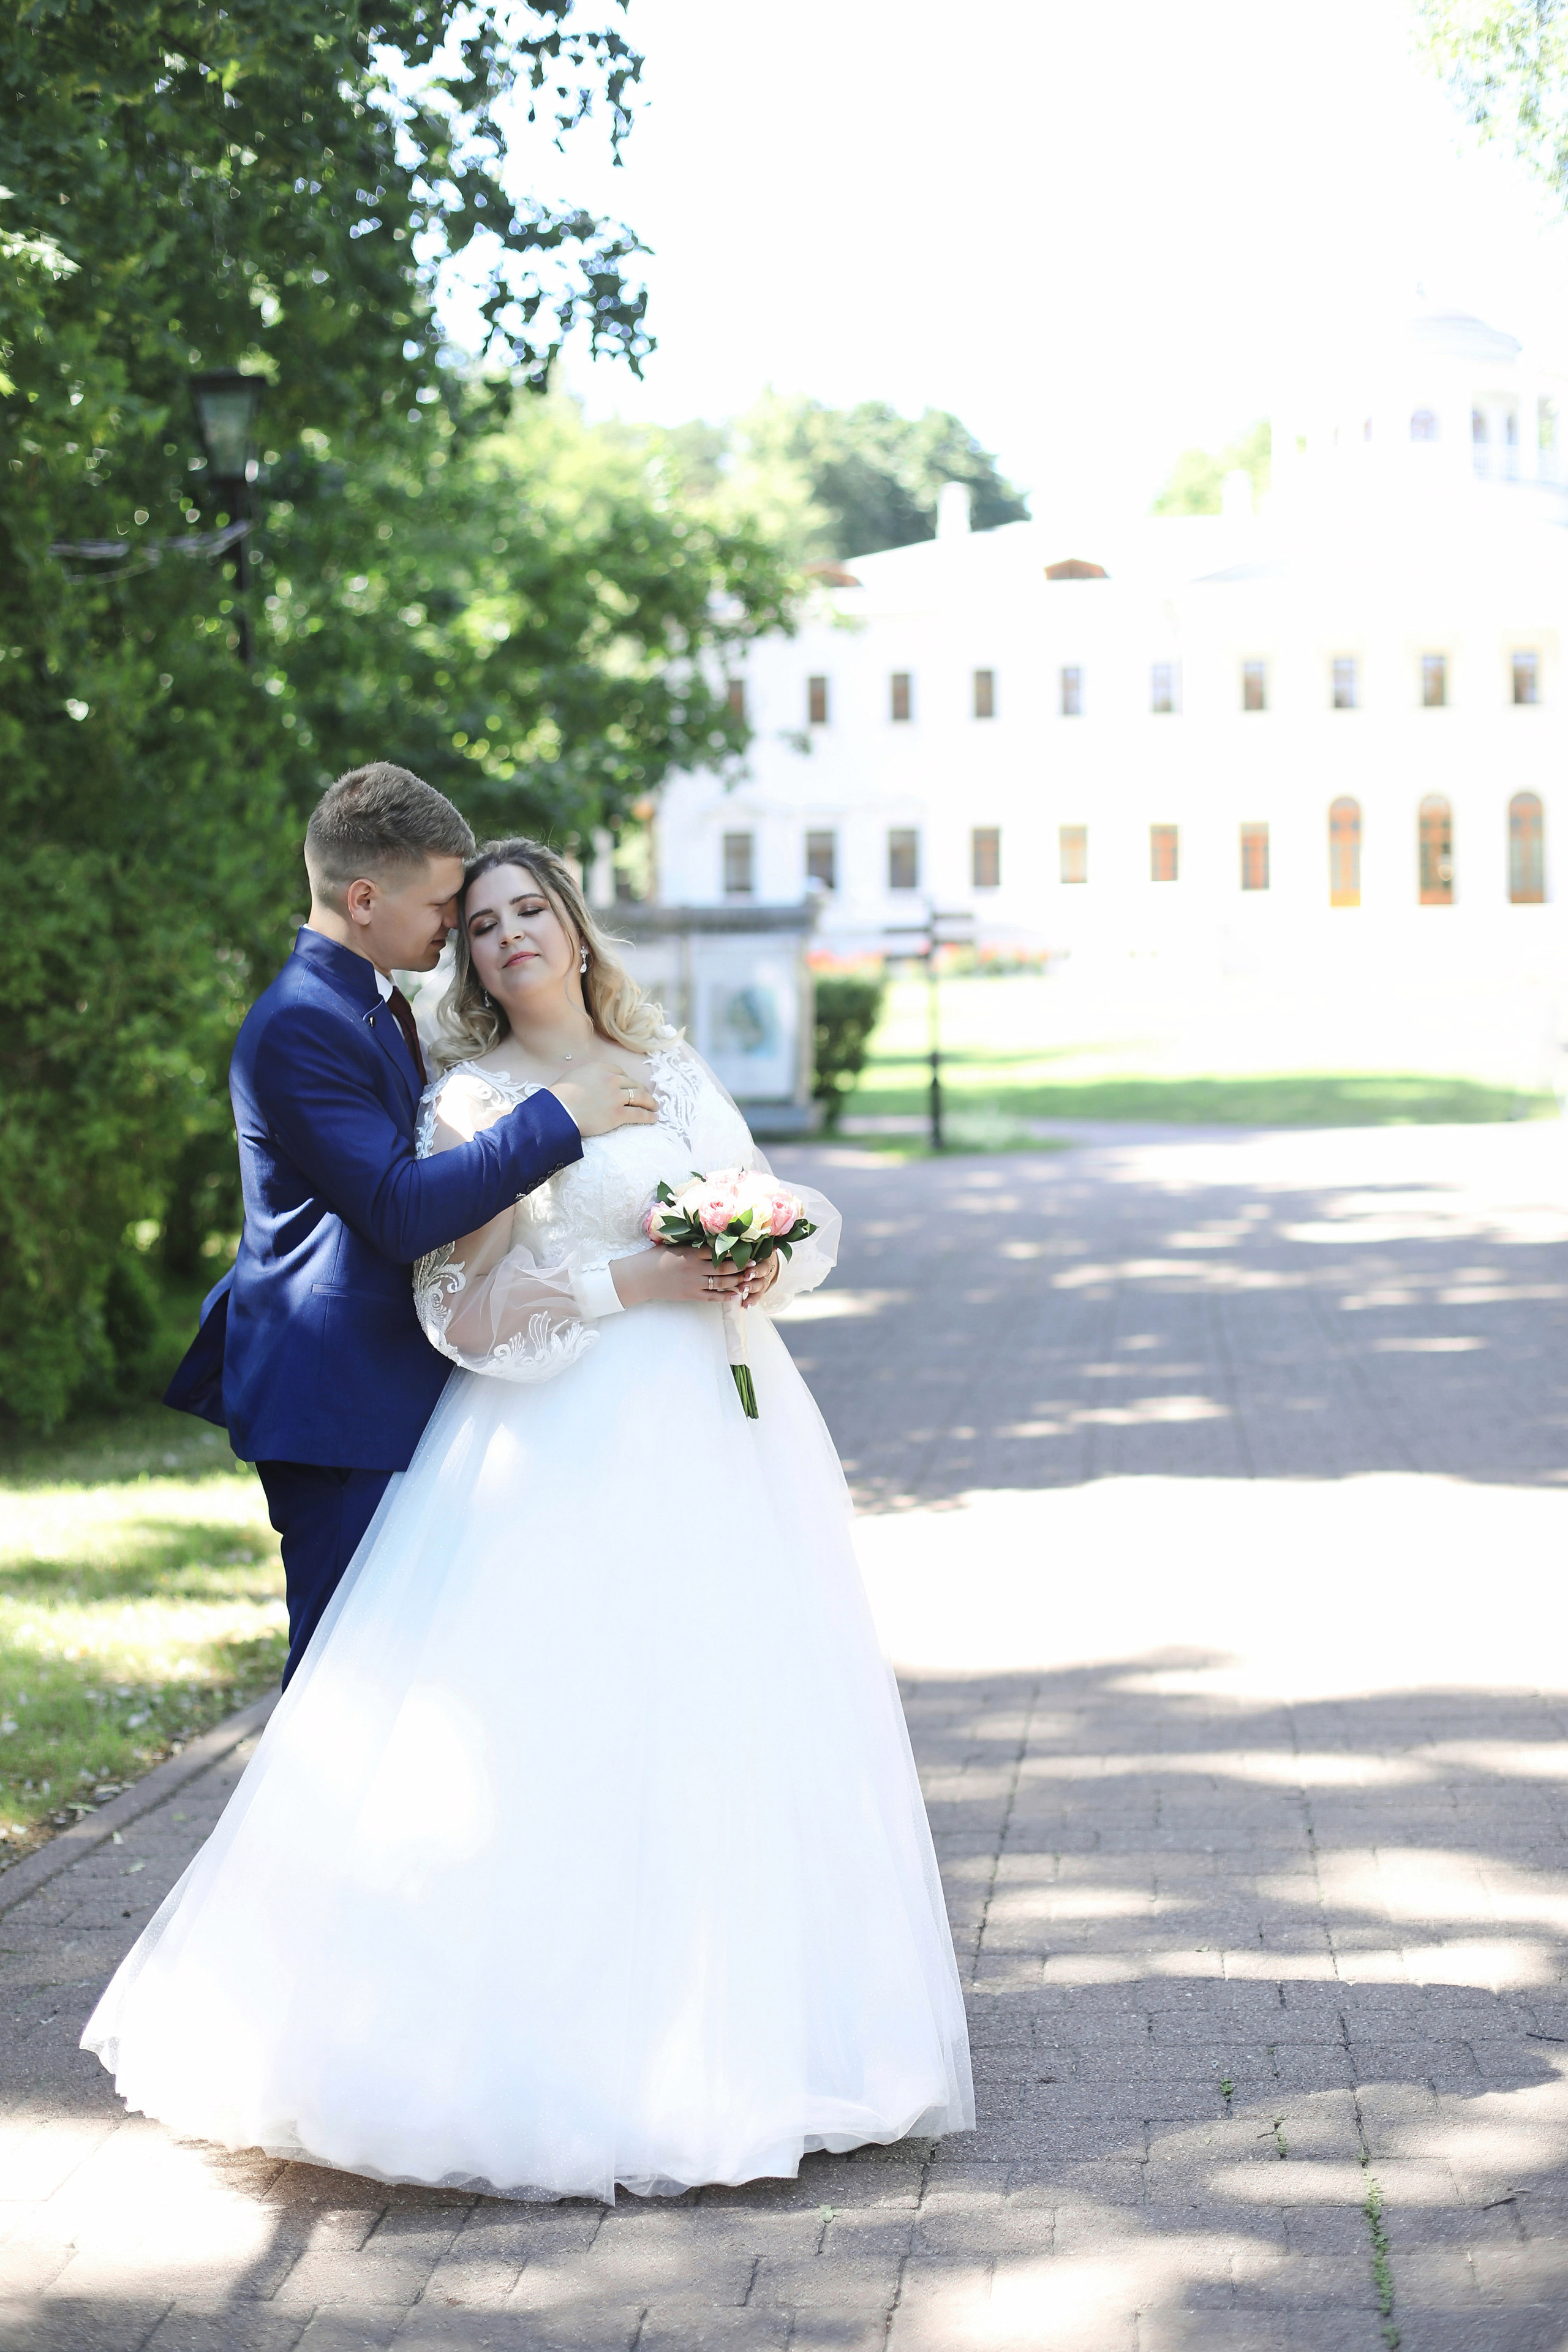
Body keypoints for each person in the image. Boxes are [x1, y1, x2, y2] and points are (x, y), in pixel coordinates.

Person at [85, 837, 974, 2203]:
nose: (507, 932)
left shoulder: (668, 1070)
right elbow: (460, 1310)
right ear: (468, 957)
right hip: (554, 1444)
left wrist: (753, 1245)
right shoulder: (472, 1103)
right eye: (482, 918)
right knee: (568, 1726)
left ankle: (749, 2049)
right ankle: (549, 2062)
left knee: (729, 1718)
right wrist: (630, 1281)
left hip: (725, 1438)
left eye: (528, 909)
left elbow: (774, 1212)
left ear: (572, 928)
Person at [165, 766, 657, 1685]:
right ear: (362, 898)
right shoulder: (300, 1026)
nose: (454, 922)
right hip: (338, 1401)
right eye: (442, 903)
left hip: (402, 1383)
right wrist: (559, 1113)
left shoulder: (381, 1002)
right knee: (343, 1680)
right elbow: (396, 1210)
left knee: (419, 1673)